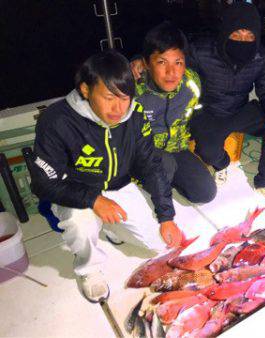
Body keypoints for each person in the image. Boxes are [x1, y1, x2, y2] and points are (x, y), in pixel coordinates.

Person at [30, 50, 184, 302]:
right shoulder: (56, 121)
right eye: (109, 97)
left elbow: (151, 164)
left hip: (118, 185)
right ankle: (87, 270)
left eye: (125, 98)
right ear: (86, 90)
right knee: (80, 224)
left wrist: (167, 215)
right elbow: (43, 183)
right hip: (75, 191)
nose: (118, 108)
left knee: (158, 245)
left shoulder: (134, 113)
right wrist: (94, 200)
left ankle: (111, 227)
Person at [143, 3, 265, 202]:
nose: (243, 41)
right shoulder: (201, 50)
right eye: (236, 35)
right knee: (208, 149)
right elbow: (170, 57)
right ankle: (223, 164)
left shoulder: (261, 56)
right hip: (209, 111)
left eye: (249, 36)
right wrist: (138, 62)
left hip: (241, 109)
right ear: (225, 32)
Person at [133, 22, 217, 204]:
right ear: (146, 63)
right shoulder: (133, 90)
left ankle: (167, 179)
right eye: (162, 62)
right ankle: (147, 182)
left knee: (206, 193)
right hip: (142, 152)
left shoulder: (191, 83)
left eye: (178, 62)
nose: (171, 72)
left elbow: (198, 113)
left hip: (177, 147)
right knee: (165, 167)